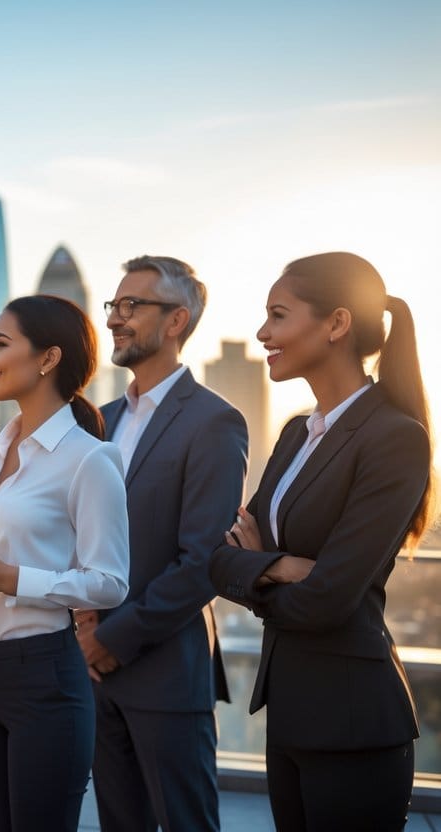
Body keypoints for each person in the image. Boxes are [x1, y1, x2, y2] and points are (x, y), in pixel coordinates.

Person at [211, 252, 434, 831]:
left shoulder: (393, 438)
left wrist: (259, 566)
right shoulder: (295, 432)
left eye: (278, 316)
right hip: (289, 713)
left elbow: (330, 597)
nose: (263, 333)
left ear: (336, 324)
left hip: (355, 724)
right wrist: (285, 566)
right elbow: (220, 556)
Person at [0, 294, 130, 832]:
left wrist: (5, 577)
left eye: (0, 344)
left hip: (45, 676)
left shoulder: (90, 459)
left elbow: (110, 583)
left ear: (48, 358)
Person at [76, 256, 247, 832]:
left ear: (176, 321)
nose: (116, 319)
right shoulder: (98, 419)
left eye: (133, 306)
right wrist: (83, 633)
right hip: (96, 676)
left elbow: (204, 562)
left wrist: (112, 639)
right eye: (114, 306)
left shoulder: (214, 422)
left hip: (167, 675)